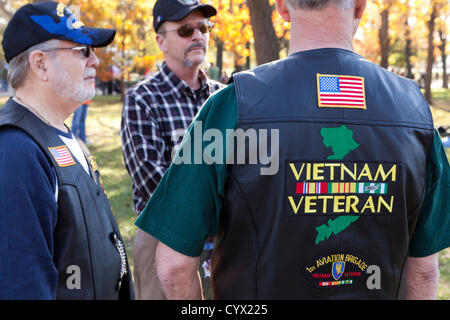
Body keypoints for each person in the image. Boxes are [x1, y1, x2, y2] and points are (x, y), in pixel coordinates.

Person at [135, 0, 450, 299]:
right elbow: (423, 272)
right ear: (359, 6)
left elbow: (174, 266)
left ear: (282, 7)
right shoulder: (414, 111)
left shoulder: (230, 106)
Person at [0, 1, 133, 299]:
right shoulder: (16, 150)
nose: (95, 61)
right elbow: (22, 284)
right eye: (82, 50)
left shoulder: (59, 132)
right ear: (40, 64)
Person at [120, 0, 222, 300]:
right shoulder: (142, 99)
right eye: (186, 29)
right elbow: (156, 184)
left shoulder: (224, 95)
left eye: (203, 27)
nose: (198, 36)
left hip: (224, 241)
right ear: (160, 40)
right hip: (163, 239)